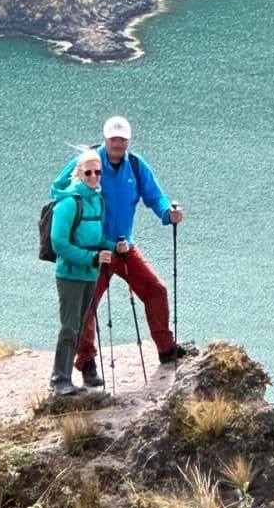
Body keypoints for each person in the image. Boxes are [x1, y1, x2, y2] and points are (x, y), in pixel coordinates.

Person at [50, 114, 189, 387]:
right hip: (93, 251)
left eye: (122, 139)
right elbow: (57, 189)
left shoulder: (136, 166)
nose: (117, 143)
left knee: (155, 290)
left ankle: (166, 348)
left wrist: (167, 212)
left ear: (128, 140)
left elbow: (154, 195)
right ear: (105, 138)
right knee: (87, 308)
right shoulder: (90, 162)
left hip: (124, 247)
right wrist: (75, 201)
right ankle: (87, 363)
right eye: (113, 138)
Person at [49, 149, 115, 396]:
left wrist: (112, 246)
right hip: (69, 275)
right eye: (88, 171)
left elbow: (96, 238)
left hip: (89, 274)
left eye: (98, 171)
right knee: (69, 327)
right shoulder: (68, 202)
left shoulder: (97, 200)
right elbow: (59, 244)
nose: (94, 176)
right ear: (78, 173)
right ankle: (59, 380)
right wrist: (92, 258)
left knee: (78, 325)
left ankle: (65, 378)